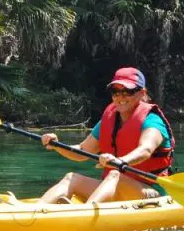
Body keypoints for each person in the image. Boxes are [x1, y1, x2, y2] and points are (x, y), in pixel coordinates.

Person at [38, 67, 174, 204]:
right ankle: (35, 211)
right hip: (113, 185)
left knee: (115, 174)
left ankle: (84, 214)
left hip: (152, 194)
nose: (120, 97)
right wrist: (57, 145)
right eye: (115, 92)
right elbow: (82, 151)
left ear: (141, 92)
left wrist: (121, 161)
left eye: (127, 92)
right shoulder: (109, 120)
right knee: (71, 177)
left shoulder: (153, 121)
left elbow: (146, 149)